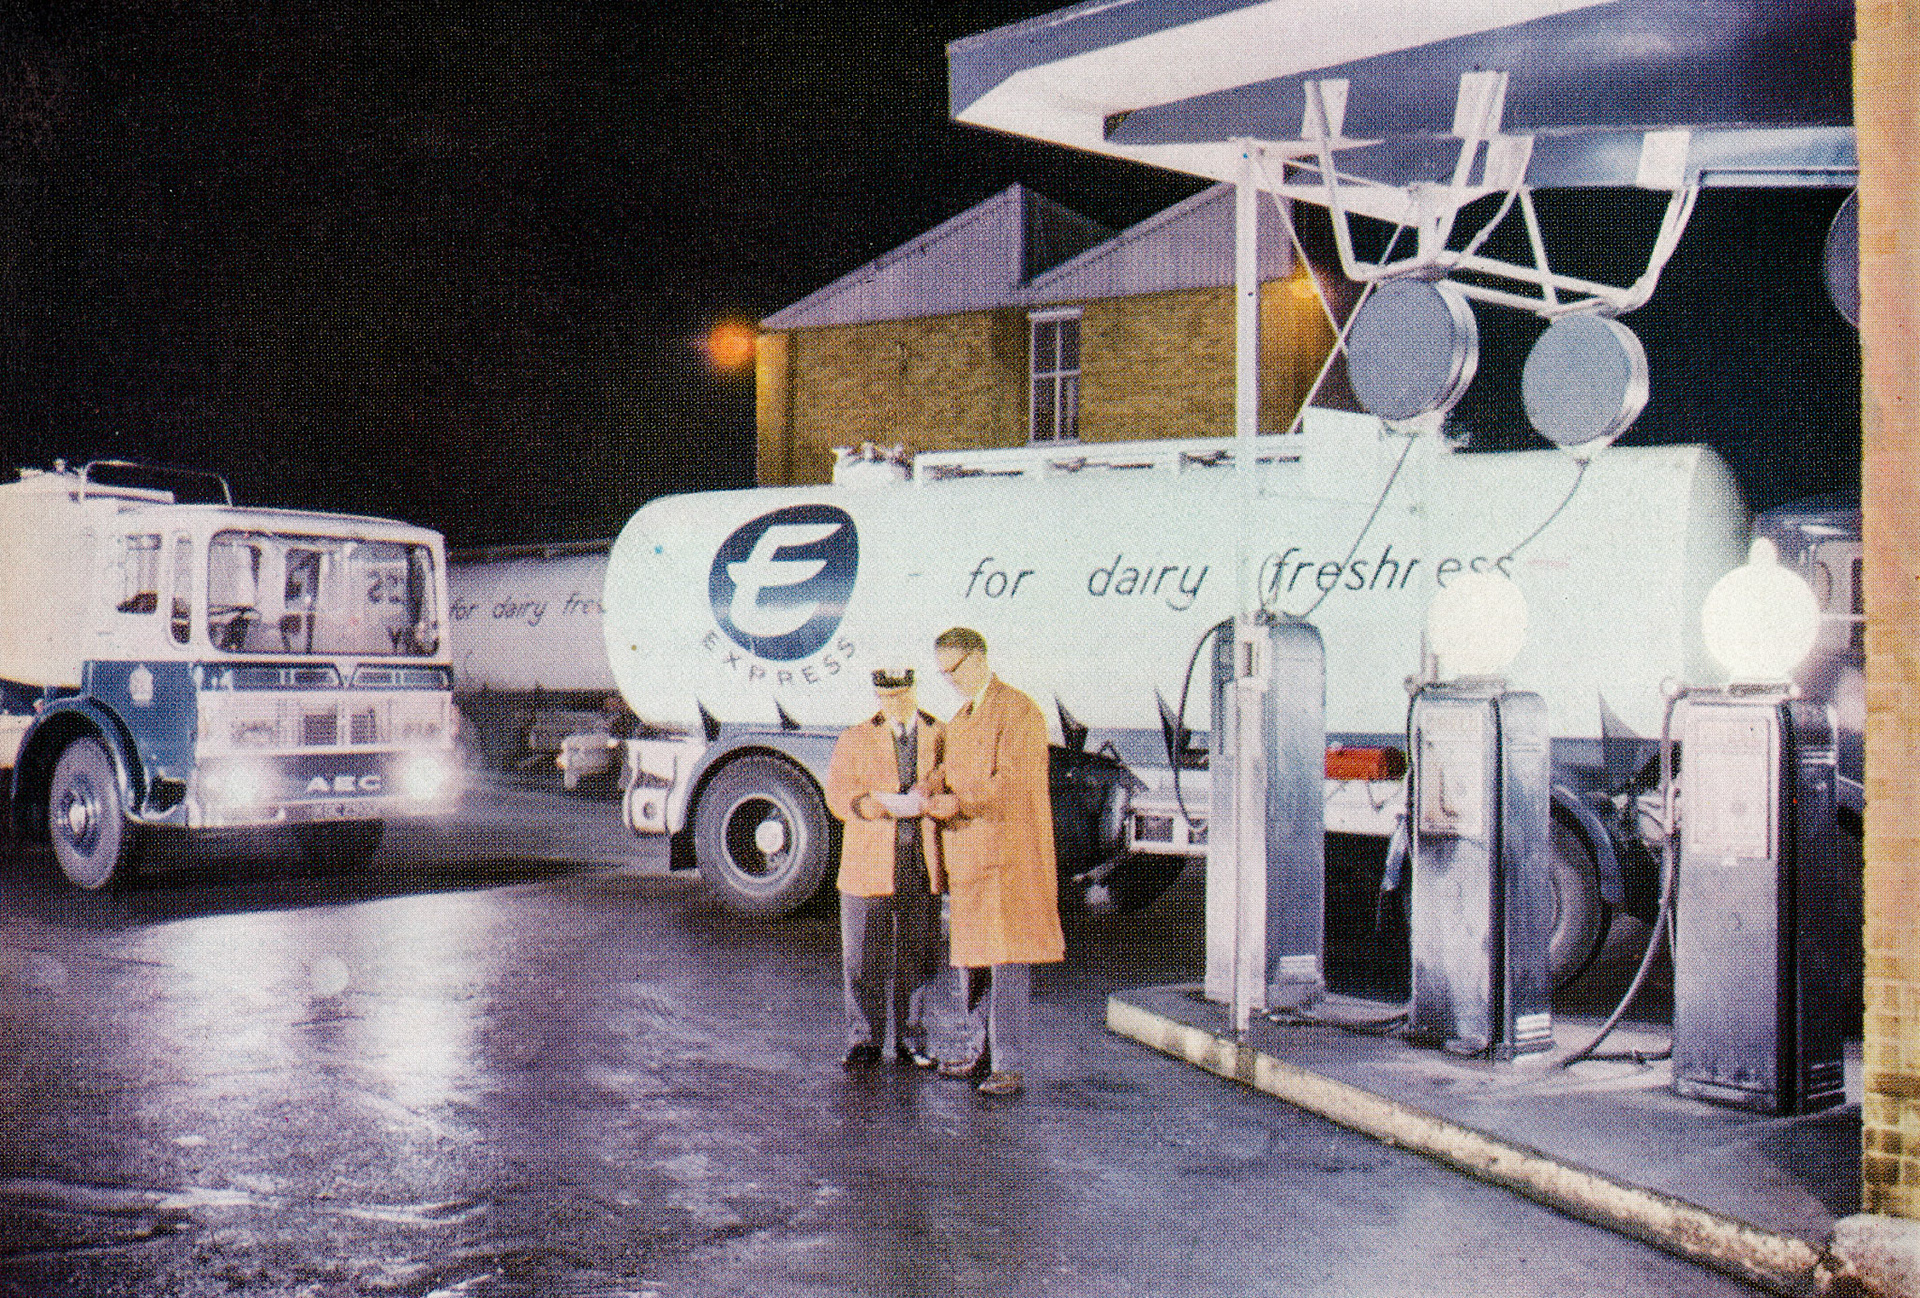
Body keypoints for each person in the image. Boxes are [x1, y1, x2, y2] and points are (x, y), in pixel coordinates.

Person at [923, 627, 1064, 1096]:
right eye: (942, 674)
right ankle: (975, 1051)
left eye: (954, 670)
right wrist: (933, 783)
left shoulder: (1019, 711)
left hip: (1007, 859)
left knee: (1007, 963)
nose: (950, 681)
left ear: (979, 658)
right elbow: (954, 767)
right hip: (969, 860)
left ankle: (1008, 1064)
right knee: (972, 962)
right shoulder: (962, 717)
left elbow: (1009, 785)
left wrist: (955, 803)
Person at [824, 667, 945, 1070]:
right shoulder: (855, 737)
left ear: (914, 692)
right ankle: (865, 1040)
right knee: (862, 956)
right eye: (887, 698)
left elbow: (953, 777)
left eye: (901, 696)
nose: (894, 704)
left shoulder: (939, 732)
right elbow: (838, 793)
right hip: (867, 863)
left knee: (918, 954)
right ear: (878, 698)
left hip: (920, 861)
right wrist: (865, 805)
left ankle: (911, 1040)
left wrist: (931, 787)